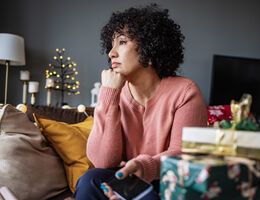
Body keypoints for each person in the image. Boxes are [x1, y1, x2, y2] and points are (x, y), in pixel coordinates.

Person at [74, 3, 207, 200]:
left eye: (122, 42)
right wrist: (109, 95)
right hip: (130, 180)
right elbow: (103, 161)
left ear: (149, 48)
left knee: (147, 196)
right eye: (111, 44)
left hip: (169, 182)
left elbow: (183, 155)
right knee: (89, 180)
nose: (111, 53)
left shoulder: (185, 92)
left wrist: (145, 166)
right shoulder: (115, 92)